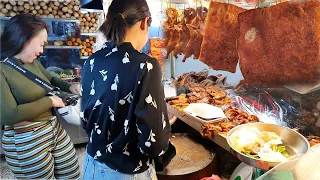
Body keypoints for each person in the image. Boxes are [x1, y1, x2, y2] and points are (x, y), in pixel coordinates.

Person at [80, 0, 174, 179]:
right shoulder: (147, 66)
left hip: (92, 166)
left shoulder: (92, 61)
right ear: (145, 22)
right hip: (127, 172)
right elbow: (153, 144)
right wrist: (165, 127)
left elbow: (87, 120)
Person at [0, 14, 81, 179]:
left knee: (71, 173)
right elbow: (9, 115)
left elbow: (50, 79)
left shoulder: (33, 62)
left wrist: (70, 86)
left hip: (53, 128)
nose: (42, 50)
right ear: (25, 39)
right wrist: (50, 101)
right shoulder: (2, 71)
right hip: (25, 139)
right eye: (41, 44)